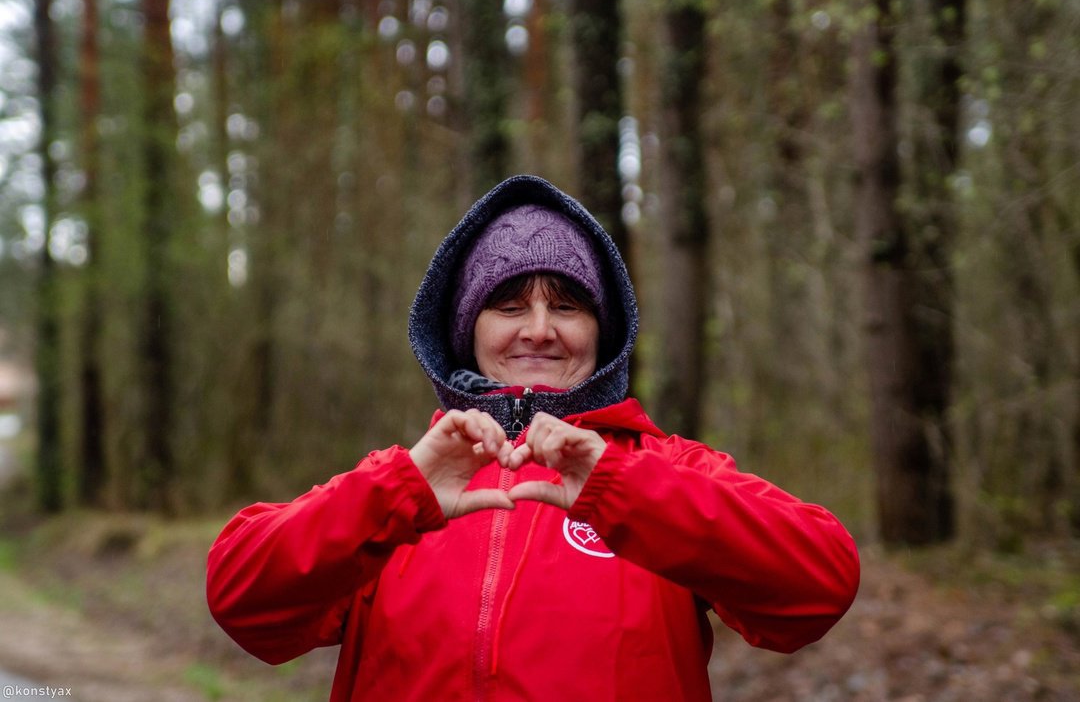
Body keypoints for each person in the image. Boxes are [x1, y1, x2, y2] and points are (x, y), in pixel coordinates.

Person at [206, 175, 860, 701]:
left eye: (567, 305)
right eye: (510, 305)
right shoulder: (408, 486)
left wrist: (624, 490)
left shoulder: (662, 468)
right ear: (468, 328)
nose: (540, 330)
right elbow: (242, 599)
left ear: (604, 330)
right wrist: (394, 495)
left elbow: (820, 584)